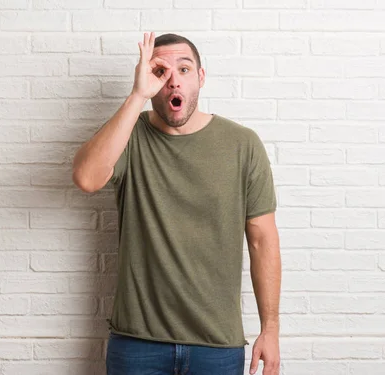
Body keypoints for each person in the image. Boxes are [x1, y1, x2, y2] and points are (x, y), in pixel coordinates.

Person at [72, 32, 282, 375]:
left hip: (216, 345)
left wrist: (270, 329)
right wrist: (137, 95)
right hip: (137, 343)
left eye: (184, 70)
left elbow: (263, 240)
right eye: (160, 72)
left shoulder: (242, 145)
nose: (173, 82)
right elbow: (85, 177)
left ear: (200, 77)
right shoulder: (129, 135)